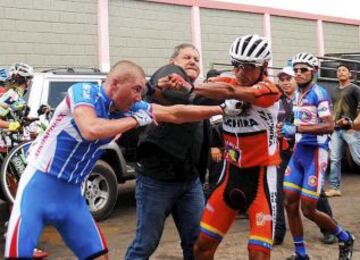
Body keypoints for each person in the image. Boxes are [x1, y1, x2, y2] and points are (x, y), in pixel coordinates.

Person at [5, 60, 223, 259]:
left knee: (100, 256)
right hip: (38, 187)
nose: (140, 97)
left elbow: (176, 113)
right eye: (136, 89)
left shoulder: (128, 108)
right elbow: (91, 129)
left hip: (71, 196)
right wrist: (134, 120)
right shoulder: (84, 92)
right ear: (115, 84)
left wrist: (222, 109)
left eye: (142, 91)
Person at [125, 43, 222, 260]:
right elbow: (180, 96)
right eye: (187, 57)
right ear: (173, 62)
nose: (192, 62)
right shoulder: (170, 76)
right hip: (156, 180)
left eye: (196, 59)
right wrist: (228, 95)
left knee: (197, 243)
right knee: (145, 244)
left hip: (189, 181)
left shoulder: (194, 91)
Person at [191, 34, 281, 260]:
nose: (241, 72)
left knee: (258, 254)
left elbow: (232, 92)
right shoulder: (227, 82)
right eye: (236, 65)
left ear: (264, 66)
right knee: (201, 248)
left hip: (261, 181)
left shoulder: (270, 89)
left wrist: (197, 86)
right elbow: (197, 98)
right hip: (229, 177)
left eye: (249, 67)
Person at [282, 53, 355, 260]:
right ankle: (301, 253)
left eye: (303, 70)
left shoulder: (319, 93)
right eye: (295, 70)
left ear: (313, 72)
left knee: (308, 208)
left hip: (316, 153)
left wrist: (296, 127)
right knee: (289, 202)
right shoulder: (297, 94)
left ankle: (345, 236)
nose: (298, 73)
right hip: (299, 153)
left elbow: (328, 125)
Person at [275, 66, 336, 246]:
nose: (285, 82)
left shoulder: (311, 95)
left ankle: (329, 229)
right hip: (284, 152)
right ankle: (278, 234)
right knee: (283, 195)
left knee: (315, 197)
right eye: (282, 79)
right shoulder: (277, 101)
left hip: (311, 150)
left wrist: (295, 129)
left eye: (288, 78)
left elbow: (327, 124)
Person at [326, 63, 360, 197]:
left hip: (350, 129)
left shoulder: (355, 89)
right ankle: (335, 188)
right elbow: (333, 108)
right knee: (334, 159)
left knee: (358, 158)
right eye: (339, 71)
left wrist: (355, 124)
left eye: (344, 70)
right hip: (337, 129)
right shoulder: (334, 90)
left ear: (350, 74)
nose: (341, 72)